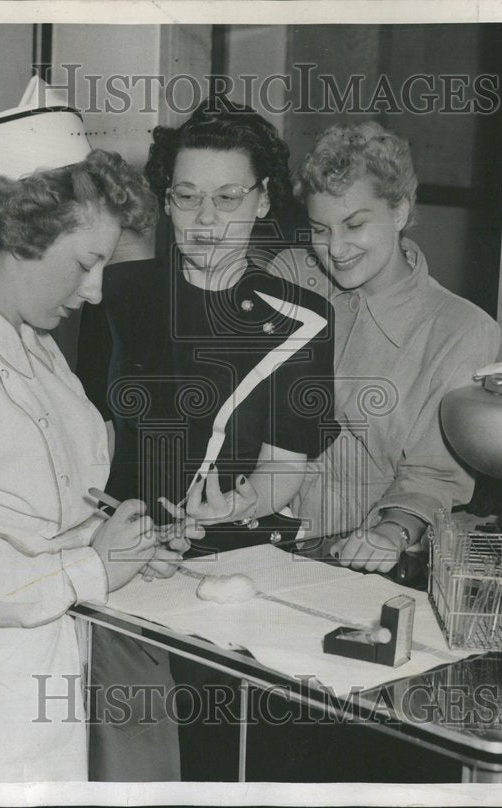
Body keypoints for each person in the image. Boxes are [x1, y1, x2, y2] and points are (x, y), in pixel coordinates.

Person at [0, 93, 191, 781]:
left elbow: (49, 512)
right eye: (86, 263)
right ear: (22, 233)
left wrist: (125, 550)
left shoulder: (38, 348)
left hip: (52, 668)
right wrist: (93, 568)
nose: (98, 291)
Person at [76, 98, 337, 781]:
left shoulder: (302, 321)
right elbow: (83, 442)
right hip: (118, 573)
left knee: (229, 766)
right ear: (165, 201)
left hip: (234, 577)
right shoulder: (116, 293)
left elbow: (286, 466)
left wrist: (240, 502)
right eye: (186, 197)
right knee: (129, 771)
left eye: (227, 197)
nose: (206, 220)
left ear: (262, 200)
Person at [270, 121, 502, 572]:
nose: (335, 249)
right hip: (253, 538)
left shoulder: (460, 329)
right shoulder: (290, 276)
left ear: (399, 212)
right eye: (320, 229)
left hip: (357, 556)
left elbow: (432, 475)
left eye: (355, 225)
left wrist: (387, 534)